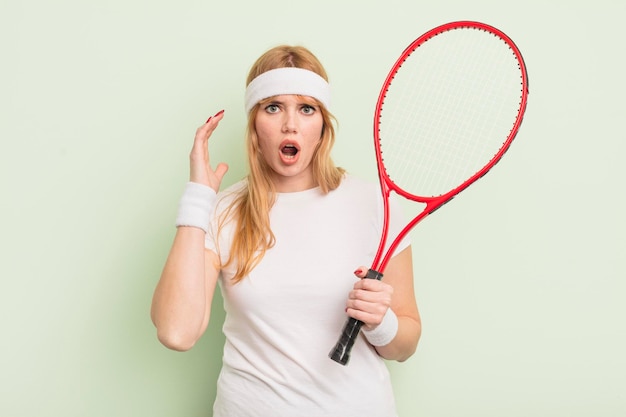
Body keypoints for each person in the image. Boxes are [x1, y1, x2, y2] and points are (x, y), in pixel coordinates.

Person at [151, 45, 421, 417]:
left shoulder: (375, 203)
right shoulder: (221, 209)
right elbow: (176, 332)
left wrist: (381, 322)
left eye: (306, 109)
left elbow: (406, 345)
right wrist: (197, 199)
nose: (290, 124)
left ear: (323, 124)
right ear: (255, 124)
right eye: (273, 107)